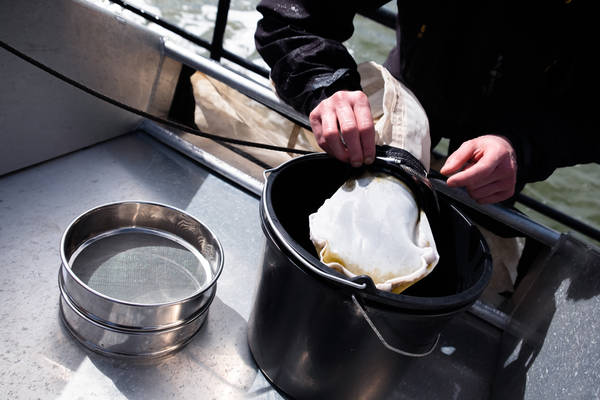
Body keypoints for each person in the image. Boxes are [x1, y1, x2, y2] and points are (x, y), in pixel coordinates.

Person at [254, 0, 597, 204]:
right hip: (408, 92)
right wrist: (325, 85)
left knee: (480, 216)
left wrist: (525, 148)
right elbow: (293, 13)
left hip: (508, 139)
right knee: (357, 182)